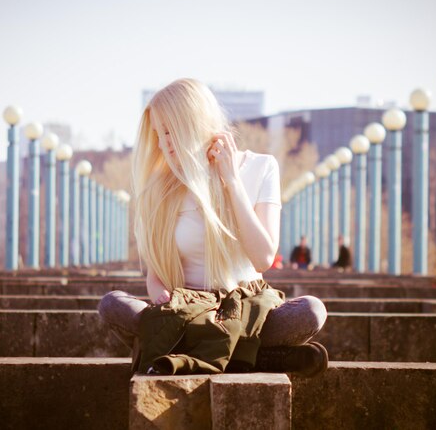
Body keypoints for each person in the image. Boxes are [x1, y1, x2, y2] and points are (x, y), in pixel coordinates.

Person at [98, 78, 327, 376]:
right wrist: (161, 299)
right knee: (112, 304)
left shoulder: (260, 167)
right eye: (159, 134)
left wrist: (231, 182)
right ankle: (256, 358)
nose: (164, 143)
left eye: (170, 130)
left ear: (194, 121)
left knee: (311, 311)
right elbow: (156, 276)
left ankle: (197, 355)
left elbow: (263, 258)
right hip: (189, 310)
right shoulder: (160, 188)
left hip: (247, 306)